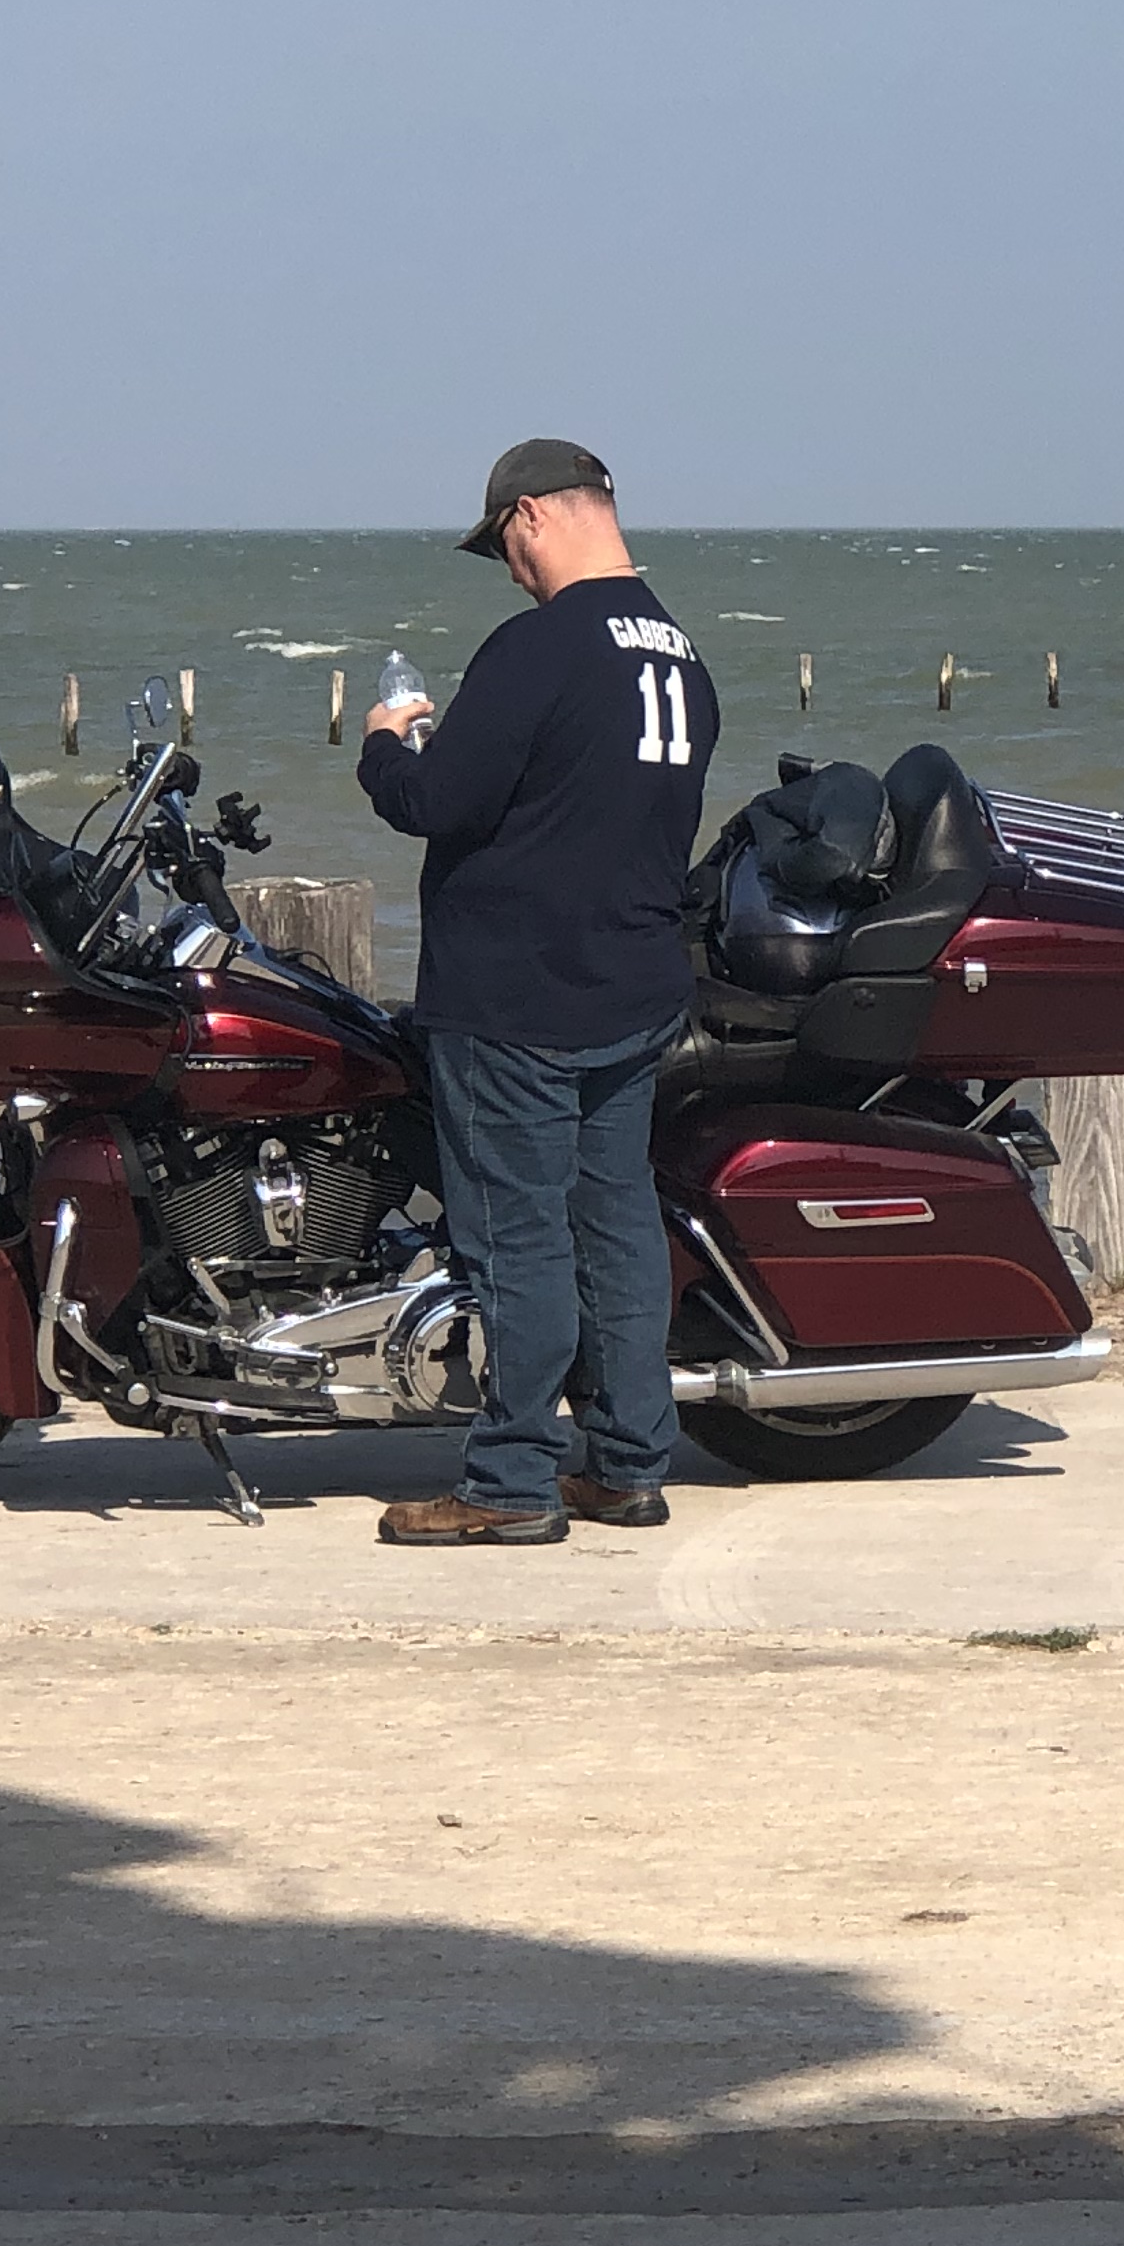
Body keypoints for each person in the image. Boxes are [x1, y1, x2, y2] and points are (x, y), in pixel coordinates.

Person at [359, 439, 720, 1546]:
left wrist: (386, 745)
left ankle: (511, 1478)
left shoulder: (538, 646)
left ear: (531, 517)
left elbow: (435, 801)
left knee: (517, 1239)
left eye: (503, 548)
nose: (509, 572)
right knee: (615, 1227)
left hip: (517, 994)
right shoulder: (682, 656)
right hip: (632, 985)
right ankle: (628, 1464)